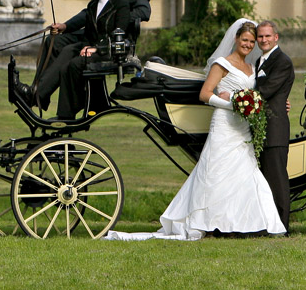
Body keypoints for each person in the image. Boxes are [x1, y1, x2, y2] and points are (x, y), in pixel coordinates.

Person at [106, 19, 286, 240]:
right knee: (215, 172)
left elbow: (261, 93)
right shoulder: (222, 63)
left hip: (243, 129)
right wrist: (233, 105)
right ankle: (205, 222)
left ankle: (241, 223)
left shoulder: (252, 67)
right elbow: (205, 94)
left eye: (252, 41)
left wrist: (270, 103)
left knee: (245, 174)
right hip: (225, 124)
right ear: (236, 39)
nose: (249, 45)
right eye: (245, 40)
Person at [19, 0, 129, 119]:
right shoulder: (92, 5)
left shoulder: (120, 5)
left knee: (72, 65)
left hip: (108, 52)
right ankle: (36, 93)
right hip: (90, 47)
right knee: (65, 50)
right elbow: (89, 33)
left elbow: (120, 33)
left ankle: (66, 113)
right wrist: (85, 46)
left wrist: (97, 49)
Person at [254, 20, 295, 232]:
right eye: (260, 36)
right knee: (265, 178)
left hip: (275, 127)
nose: (264, 40)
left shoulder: (282, 61)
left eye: (268, 36)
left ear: (276, 37)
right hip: (262, 127)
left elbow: (266, 90)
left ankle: (282, 225)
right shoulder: (260, 61)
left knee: (277, 179)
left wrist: (235, 98)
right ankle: (267, 223)